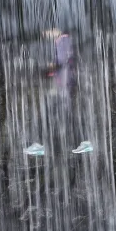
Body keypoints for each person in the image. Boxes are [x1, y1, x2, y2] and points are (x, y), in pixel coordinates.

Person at [23, 28, 93, 156]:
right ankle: (84, 141)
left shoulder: (63, 40)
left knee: (50, 113)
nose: (45, 33)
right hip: (65, 85)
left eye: (48, 31)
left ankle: (39, 144)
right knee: (66, 115)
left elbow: (64, 63)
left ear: (57, 30)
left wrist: (48, 69)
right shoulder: (62, 42)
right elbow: (65, 63)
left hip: (65, 85)